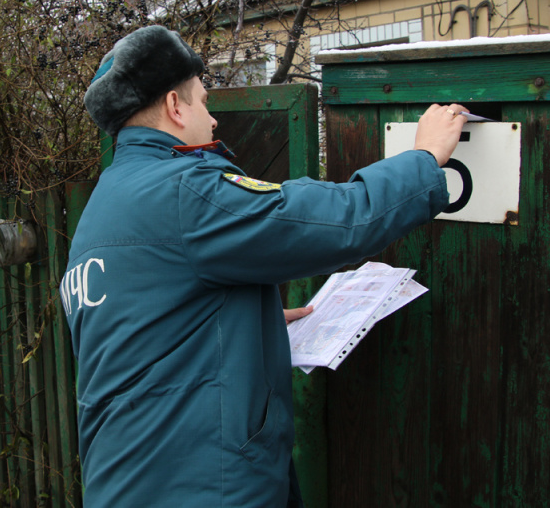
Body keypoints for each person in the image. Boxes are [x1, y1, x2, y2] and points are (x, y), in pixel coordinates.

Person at [60, 25, 467, 508]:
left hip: (126, 485)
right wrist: (424, 158)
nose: (213, 122)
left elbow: (154, 328)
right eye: (205, 102)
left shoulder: (101, 210)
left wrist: (252, 321)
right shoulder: (184, 191)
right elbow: (339, 220)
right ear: (175, 106)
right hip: (201, 489)